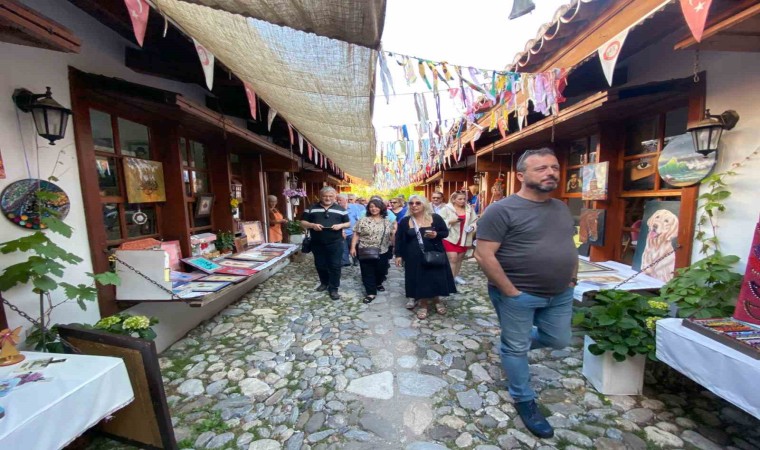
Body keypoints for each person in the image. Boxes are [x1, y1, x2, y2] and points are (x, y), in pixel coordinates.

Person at [474, 147, 578, 439]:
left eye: (554, 167)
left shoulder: (560, 207)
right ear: (520, 176)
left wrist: (572, 277)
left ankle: (511, 347)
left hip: (560, 292)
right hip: (518, 294)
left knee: (558, 339)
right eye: (541, 168)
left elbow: (569, 244)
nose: (551, 173)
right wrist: (510, 291)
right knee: (517, 347)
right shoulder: (501, 210)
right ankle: (524, 398)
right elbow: (483, 255)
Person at [395, 195, 456, 319]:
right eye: (411, 203)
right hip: (413, 256)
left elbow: (445, 232)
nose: (414, 205)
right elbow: (399, 239)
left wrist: (436, 234)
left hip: (434, 253)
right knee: (419, 279)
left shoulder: (435, 218)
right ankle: (423, 304)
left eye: (418, 203)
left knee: (435, 277)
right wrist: (398, 255)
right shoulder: (405, 221)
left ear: (424, 204)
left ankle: (437, 300)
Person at [300, 187, 351, 300]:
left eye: (330, 196)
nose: (328, 198)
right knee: (320, 264)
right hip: (317, 242)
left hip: (335, 243)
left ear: (334, 197)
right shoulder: (311, 208)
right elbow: (302, 222)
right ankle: (324, 283)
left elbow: (348, 223)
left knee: (335, 265)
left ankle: (334, 288)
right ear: (320, 196)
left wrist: (340, 226)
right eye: (325, 196)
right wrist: (312, 225)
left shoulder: (341, 209)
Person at [350, 198, 393, 304]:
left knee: (381, 270)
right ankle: (371, 292)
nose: (374, 209)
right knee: (367, 271)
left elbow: (391, 235)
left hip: (383, 250)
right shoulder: (363, 220)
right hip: (365, 249)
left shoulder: (387, 221)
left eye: (376, 206)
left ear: (381, 208)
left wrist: (395, 246)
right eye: (371, 207)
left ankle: (378, 283)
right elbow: (356, 234)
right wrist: (353, 247)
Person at [439, 191, 478, 285]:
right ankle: (450, 280)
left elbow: (475, 220)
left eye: (464, 199)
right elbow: (439, 221)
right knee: (453, 258)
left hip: (464, 237)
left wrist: (472, 227)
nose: (462, 201)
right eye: (460, 199)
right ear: (453, 199)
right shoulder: (446, 208)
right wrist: (451, 221)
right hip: (450, 237)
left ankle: (455, 276)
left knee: (460, 258)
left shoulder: (469, 208)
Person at [337, 193, 363, 266]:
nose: (338, 202)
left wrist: (358, 231)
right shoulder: (336, 209)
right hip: (340, 232)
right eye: (337, 200)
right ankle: (345, 262)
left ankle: (355, 259)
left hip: (352, 232)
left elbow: (359, 219)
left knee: (353, 246)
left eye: (340, 200)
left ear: (346, 200)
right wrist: (342, 231)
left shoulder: (354, 208)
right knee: (343, 248)